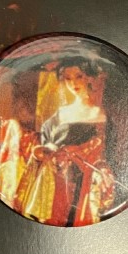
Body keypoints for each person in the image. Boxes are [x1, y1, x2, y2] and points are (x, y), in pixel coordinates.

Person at [12, 58, 115, 226]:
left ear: (89, 77)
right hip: (60, 178)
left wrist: (101, 169)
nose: (73, 83)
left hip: (87, 179)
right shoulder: (62, 114)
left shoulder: (101, 114)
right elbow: (47, 143)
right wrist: (45, 151)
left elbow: (106, 150)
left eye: (78, 76)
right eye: (68, 78)